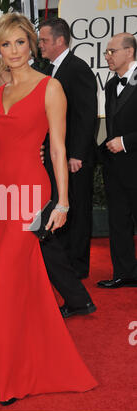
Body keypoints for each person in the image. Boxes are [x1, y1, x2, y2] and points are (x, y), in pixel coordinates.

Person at [0, 12, 97, 406]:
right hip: (0, 191)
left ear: (33, 46)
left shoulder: (50, 88)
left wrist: (62, 201)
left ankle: (9, 376)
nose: (13, 51)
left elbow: (59, 148)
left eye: (20, 42)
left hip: (31, 190)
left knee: (9, 275)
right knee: (23, 279)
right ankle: (25, 361)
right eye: (5, 44)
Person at [38, 18, 98, 280]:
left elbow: (87, 116)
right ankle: (65, 263)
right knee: (62, 208)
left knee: (78, 209)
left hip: (74, 157)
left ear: (59, 41)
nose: (40, 45)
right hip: (58, 154)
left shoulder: (77, 69)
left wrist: (77, 154)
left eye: (43, 40)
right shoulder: (50, 70)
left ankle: (78, 266)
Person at [97, 33, 137, 289]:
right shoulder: (111, 84)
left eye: (112, 51)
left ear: (130, 52)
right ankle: (125, 273)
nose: (107, 56)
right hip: (116, 169)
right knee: (118, 223)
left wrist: (125, 142)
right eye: (106, 52)